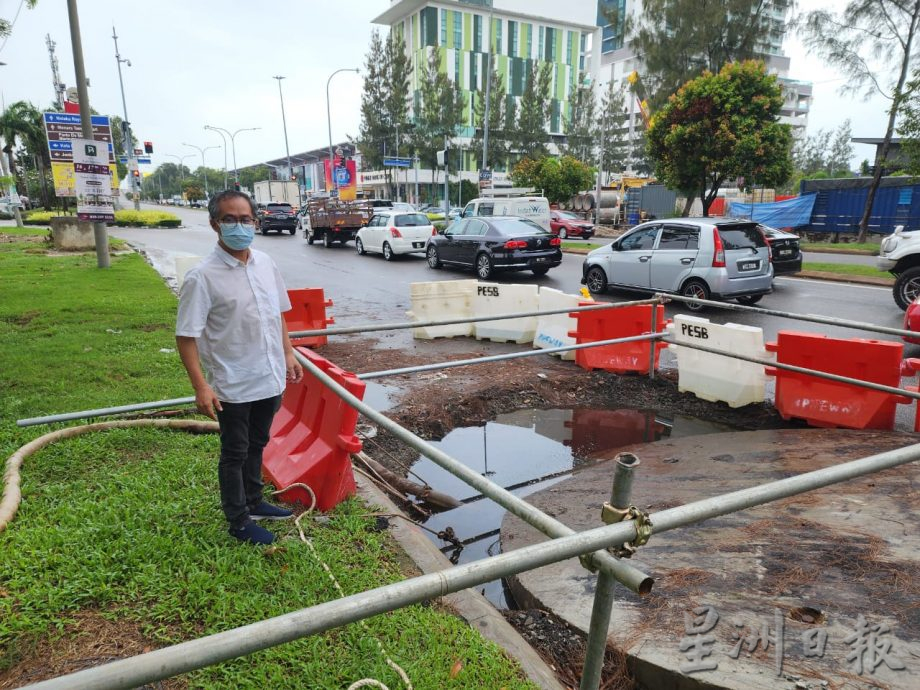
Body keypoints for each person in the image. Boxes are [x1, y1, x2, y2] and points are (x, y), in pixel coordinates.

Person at [176, 190, 304, 545]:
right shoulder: (202, 277)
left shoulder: (265, 262)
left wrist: (289, 354)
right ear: (215, 224)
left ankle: (255, 501)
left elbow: (276, 313)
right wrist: (201, 386)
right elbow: (186, 336)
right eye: (230, 219)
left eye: (246, 219)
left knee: (258, 443)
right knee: (234, 451)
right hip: (232, 383)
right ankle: (238, 520)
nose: (240, 226)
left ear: (255, 221)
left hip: (269, 376)